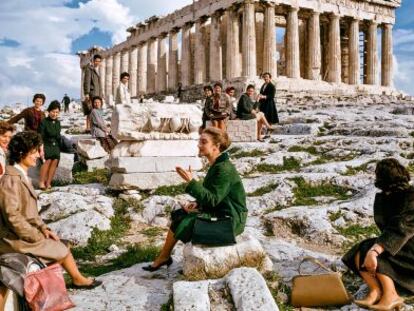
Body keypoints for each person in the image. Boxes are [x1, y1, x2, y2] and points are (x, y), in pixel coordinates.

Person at [0, 132, 101, 309]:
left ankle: (77, 279)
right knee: (62, 248)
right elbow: (12, 217)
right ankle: (77, 279)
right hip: (13, 240)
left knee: (60, 243)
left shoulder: (20, 175)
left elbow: (30, 214)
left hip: (22, 235)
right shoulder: (11, 180)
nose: (38, 156)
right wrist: (34, 236)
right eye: (33, 152)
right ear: (21, 153)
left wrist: (43, 228)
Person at [143, 127, 248, 271]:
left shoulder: (224, 169)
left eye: (203, 142)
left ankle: (176, 260)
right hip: (221, 213)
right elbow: (214, 197)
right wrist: (196, 204)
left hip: (230, 221)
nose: (199, 145)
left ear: (216, 146)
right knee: (180, 214)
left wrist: (191, 182)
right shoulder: (217, 166)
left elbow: (213, 200)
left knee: (185, 221)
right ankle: (165, 256)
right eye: (200, 141)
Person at [342, 158, 414, 311]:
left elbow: (401, 227)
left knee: (375, 252)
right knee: (362, 249)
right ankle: (376, 291)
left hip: (411, 254)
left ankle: (391, 295)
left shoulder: (411, 197)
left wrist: (376, 250)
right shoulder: (386, 198)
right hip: (403, 249)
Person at [38, 101, 62, 190]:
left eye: (57, 112)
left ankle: (48, 182)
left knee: (55, 160)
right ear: (49, 111)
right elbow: (40, 136)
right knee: (47, 161)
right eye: (53, 112)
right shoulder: (44, 122)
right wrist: (41, 149)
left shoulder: (58, 123)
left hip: (55, 145)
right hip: (46, 144)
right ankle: (41, 182)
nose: (54, 114)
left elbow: (58, 136)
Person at [83, 54, 103, 131]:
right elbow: (86, 82)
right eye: (96, 61)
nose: (97, 62)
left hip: (97, 94)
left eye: (99, 61)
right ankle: (88, 127)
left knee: (96, 111)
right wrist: (87, 93)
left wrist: (101, 94)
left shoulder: (96, 70)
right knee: (90, 110)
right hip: (92, 93)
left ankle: (95, 126)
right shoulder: (89, 69)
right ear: (93, 61)